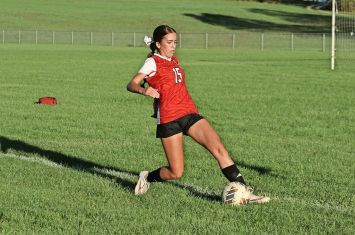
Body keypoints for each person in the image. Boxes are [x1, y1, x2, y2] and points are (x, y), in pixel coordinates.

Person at [126, 25, 270, 204]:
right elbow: (131, 84)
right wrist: (144, 91)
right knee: (176, 172)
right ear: (158, 43)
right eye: (169, 42)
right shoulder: (152, 62)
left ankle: (245, 192)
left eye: (175, 42)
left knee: (219, 149)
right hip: (169, 118)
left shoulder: (173, 60)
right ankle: (147, 177)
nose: (173, 46)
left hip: (189, 112)